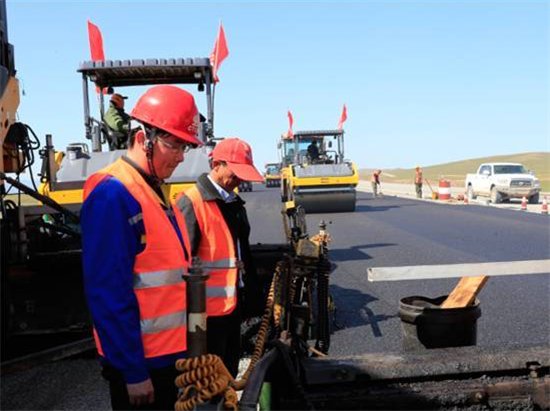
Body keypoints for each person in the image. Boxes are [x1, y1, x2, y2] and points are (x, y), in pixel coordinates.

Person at [81, 85, 202, 410]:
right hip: (142, 367)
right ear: (142, 137)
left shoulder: (156, 191)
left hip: (169, 360)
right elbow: (107, 292)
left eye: (185, 147)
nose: (180, 156)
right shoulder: (114, 194)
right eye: (174, 144)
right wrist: (132, 371)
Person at [175, 137, 264, 378]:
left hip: (231, 308)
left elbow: (240, 253)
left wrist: (252, 297)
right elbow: (180, 263)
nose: (239, 180)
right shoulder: (191, 203)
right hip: (204, 317)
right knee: (207, 380)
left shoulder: (234, 203)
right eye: (235, 173)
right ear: (217, 164)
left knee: (227, 374)